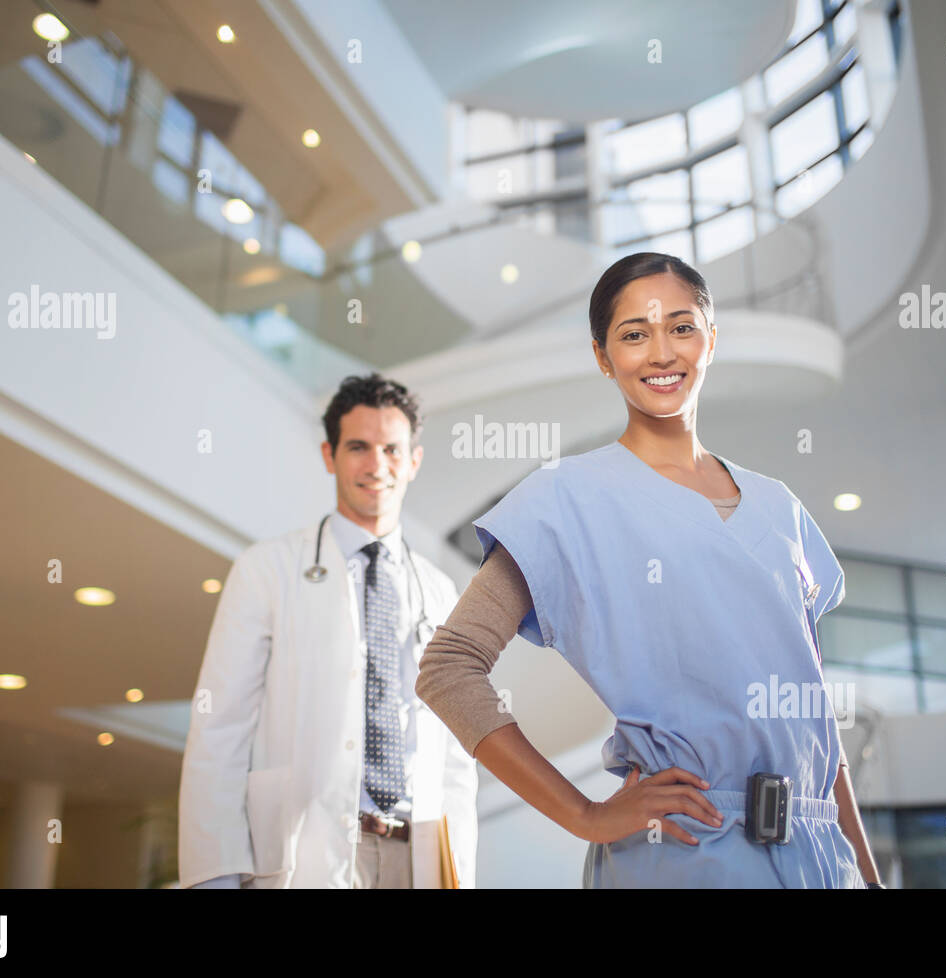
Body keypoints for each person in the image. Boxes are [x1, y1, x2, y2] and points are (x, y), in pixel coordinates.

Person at [416, 253, 883, 888]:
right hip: (685, 853)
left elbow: (813, 716)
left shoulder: (781, 509)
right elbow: (449, 668)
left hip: (822, 859)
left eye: (682, 327)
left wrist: (869, 876)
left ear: (711, 341)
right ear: (603, 357)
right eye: (634, 334)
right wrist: (584, 814)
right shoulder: (567, 498)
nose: (661, 353)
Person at [179, 373, 477, 888]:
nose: (376, 465)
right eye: (358, 447)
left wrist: (459, 877)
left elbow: (455, 756)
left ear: (413, 461)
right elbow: (219, 729)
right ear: (329, 455)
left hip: (419, 857)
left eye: (391, 449)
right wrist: (216, 875)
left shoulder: (440, 591)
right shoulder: (266, 570)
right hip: (308, 855)